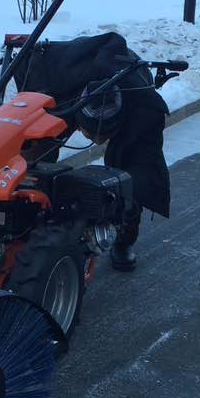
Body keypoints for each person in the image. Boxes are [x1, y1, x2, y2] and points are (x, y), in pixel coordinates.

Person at [72, 55, 170, 272]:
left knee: (128, 183)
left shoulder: (146, 116)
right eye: (84, 130)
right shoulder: (74, 89)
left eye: (98, 136)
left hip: (131, 94)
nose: (92, 141)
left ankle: (124, 242)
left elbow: (144, 179)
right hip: (96, 67)